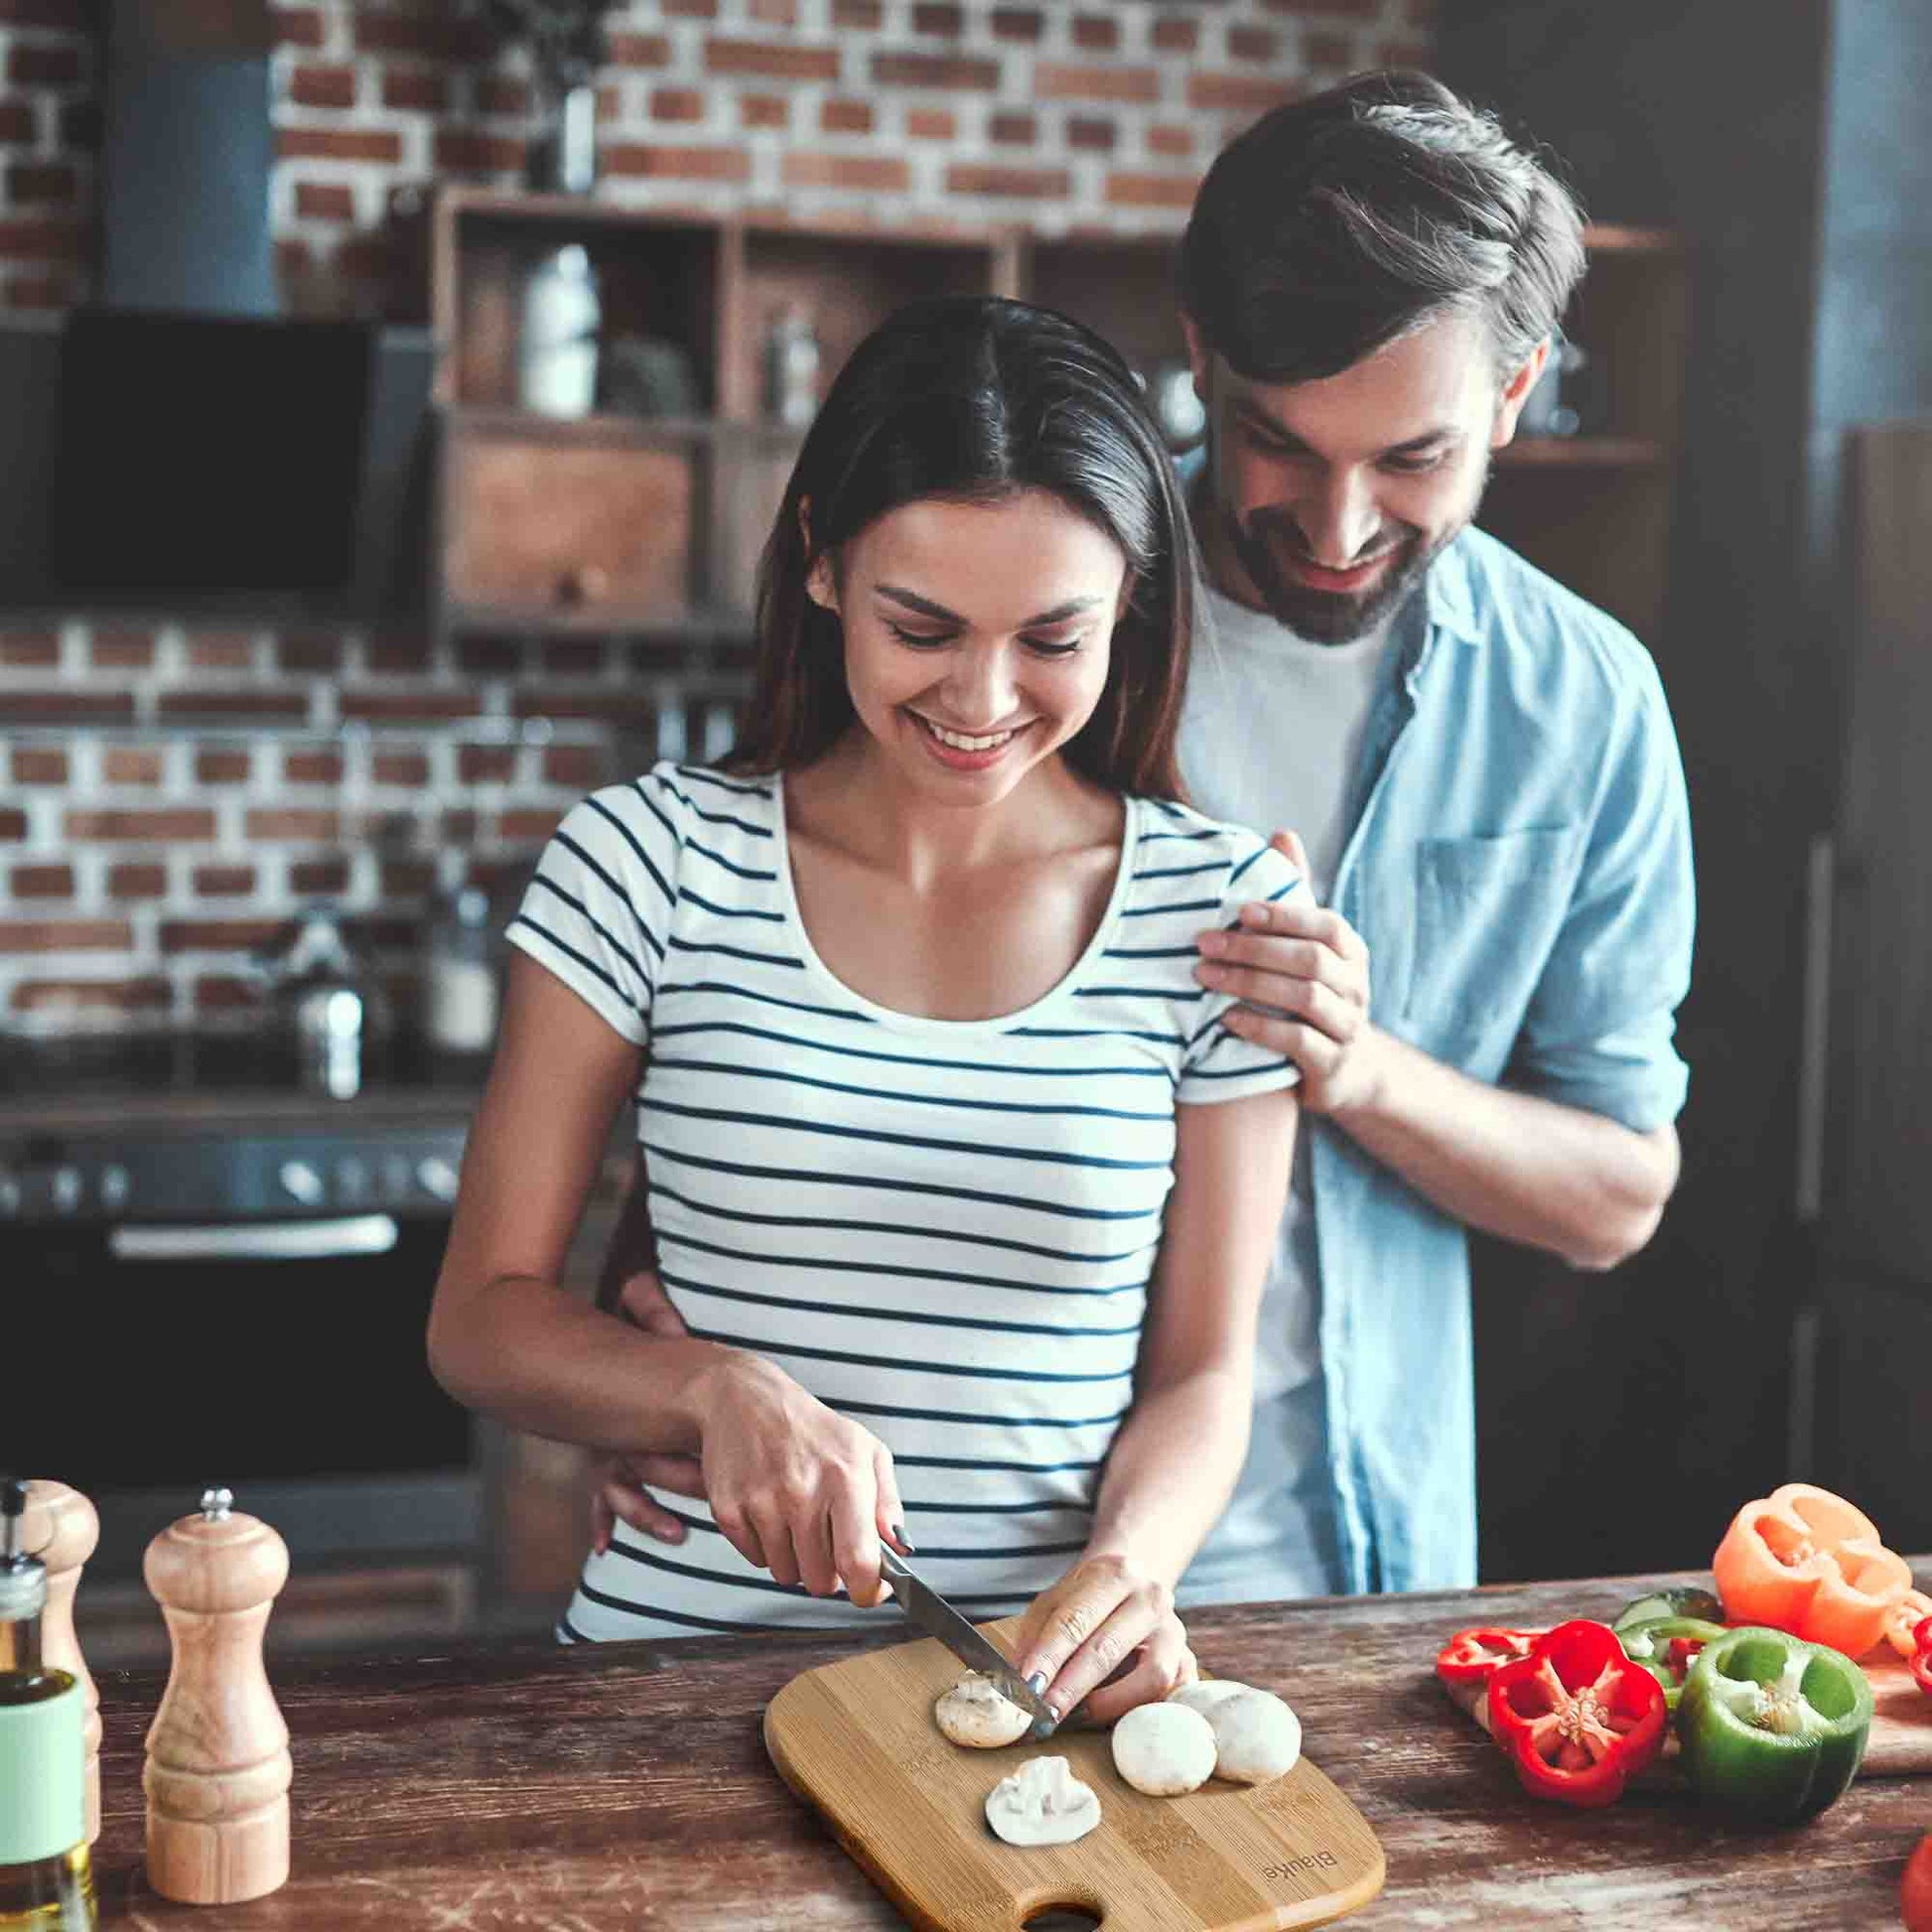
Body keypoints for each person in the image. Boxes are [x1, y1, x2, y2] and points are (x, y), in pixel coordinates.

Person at [589, 69, 1697, 1605]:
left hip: (1337, 1549)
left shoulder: (1582, 704)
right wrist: (652, 1367)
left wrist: (1354, 1065)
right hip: (913, 1565)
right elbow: (765, 974)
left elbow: (1618, 1191)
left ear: (1510, 396)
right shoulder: (1018, 596)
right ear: (1198, 358)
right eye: (1278, 445)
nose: (1335, 522)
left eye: (1412, 461)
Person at [427, 295, 1306, 1725]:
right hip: (672, 1685)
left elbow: (1206, 1371)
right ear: (824, 562)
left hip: (1024, 1692)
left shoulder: (1215, 915)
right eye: (924, 624)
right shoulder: (646, 862)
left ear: (1130, 605)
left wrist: (1129, 1570)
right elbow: (479, 1318)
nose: (981, 696)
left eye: (1050, 638)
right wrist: (705, 1391)